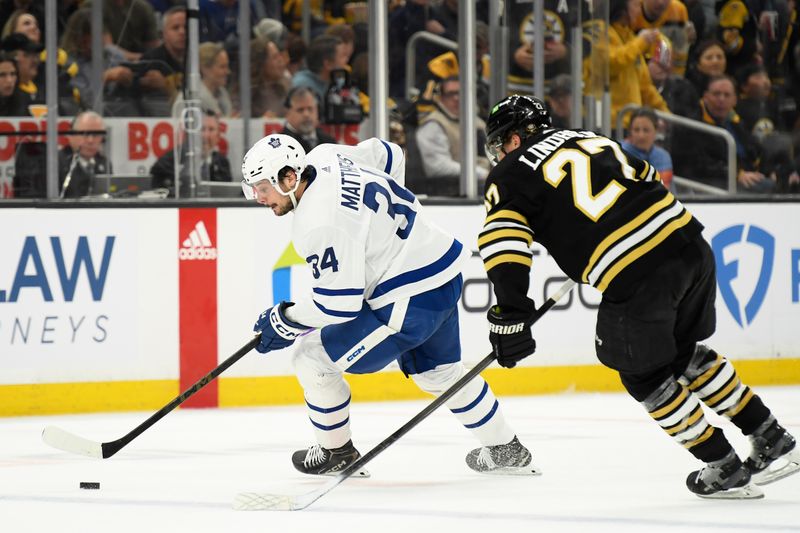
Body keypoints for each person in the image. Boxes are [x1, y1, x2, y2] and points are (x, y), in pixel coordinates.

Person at [478, 94, 799, 499]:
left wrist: (511, 313)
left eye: (501, 143)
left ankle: (723, 466)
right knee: (681, 352)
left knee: (643, 373)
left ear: (515, 138)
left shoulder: (508, 174)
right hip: (690, 245)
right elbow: (646, 177)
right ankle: (770, 434)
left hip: (639, 273)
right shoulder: (589, 137)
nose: (500, 153)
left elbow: (503, 244)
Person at [239, 133, 536, 476]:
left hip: (407, 299)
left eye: (263, 187)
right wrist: (385, 233)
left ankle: (337, 452)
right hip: (441, 272)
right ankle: (506, 448)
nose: (259, 198)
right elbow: (391, 154)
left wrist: (284, 320)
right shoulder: (327, 155)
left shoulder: (317, 221)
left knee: (311, 358)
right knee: (437, 372)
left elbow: (338, 304)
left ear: (289, 178)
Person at [415, 76, 490, 193]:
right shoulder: (433, 124)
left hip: (484, 184)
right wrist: (483, 174)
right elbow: (437, 167)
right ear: (440, 97)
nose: (456, 98)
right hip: (451, 193)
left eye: (461, 93)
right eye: (450, 94)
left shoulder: (477, 122)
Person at [150, 110, 232, 197]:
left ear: (218, 136)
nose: (206, 135)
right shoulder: (172, 159)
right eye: (202, 129)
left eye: (211, 129)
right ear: (191, 133)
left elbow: (226, 194)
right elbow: (158, 189)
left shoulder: (222, 162)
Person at [58, 111, 112, 198]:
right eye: (84, 134)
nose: (90, 140)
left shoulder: (104, 163)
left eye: (96, 135)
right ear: (70, 135)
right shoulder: (56, 163)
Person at [621, 107, 674, 189]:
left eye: (646, 130)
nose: (641, 136)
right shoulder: (619, 152)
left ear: (656, 130)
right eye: (636, 130)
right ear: (630, 131)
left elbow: (663, 191)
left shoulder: (663, 157)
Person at [281, 85, 336, 153]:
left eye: (310, 109)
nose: (306, 114)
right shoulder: (281, 145)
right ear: (287, 113)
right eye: (300, 110)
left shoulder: (329, 143)